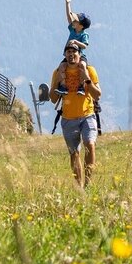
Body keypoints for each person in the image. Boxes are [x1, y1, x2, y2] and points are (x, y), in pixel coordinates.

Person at [50, 44, 101, 188]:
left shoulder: (89, 70)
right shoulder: (58, 72)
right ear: (65, 56)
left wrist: (87, 79)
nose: (71, 54)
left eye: (74, 52)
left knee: (90, 145)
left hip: (87, 115)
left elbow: (97, 95)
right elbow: (53, 98)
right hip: (68, 119)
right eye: (68, 52)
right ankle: (80, 188)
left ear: (80, 55)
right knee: (74, 153)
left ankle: (88, 185)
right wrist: (57, 81)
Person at [54, 0, 91, 96]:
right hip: (69, 56)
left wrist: (76, 42)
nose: (73, 21)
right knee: (62, 67)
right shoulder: (73, 30)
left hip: (80, 56)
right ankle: (63, 86)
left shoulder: (84, 35)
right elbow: (69, 17)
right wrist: (67, 3)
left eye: (76, 21)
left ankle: (81, 86)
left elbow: (85, 46)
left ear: (81, 25)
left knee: (82, 66)